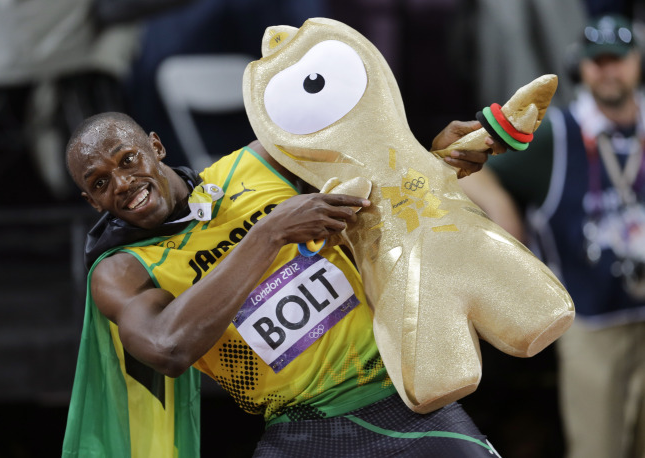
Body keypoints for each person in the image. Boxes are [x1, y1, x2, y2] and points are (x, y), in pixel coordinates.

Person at [62, 111, 504, 457]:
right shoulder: (123, 271)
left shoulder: (258, 162)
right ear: (91, 200)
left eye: (128, 159)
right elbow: (168, 348)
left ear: (155, 146)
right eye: (101, 183)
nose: (123, 183)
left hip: (404, 403)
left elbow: (380, 172)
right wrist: (268, 234)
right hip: (305, 432)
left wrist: (435, 158)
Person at [461, 13, 645, 458]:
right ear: (580, 66)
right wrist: (505, 213)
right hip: (591, 322)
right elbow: (465, 167)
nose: (607, 70)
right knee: (597, 447)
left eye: (617, 59)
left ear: (637, 62)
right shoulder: (557, 134)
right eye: (596, 61)